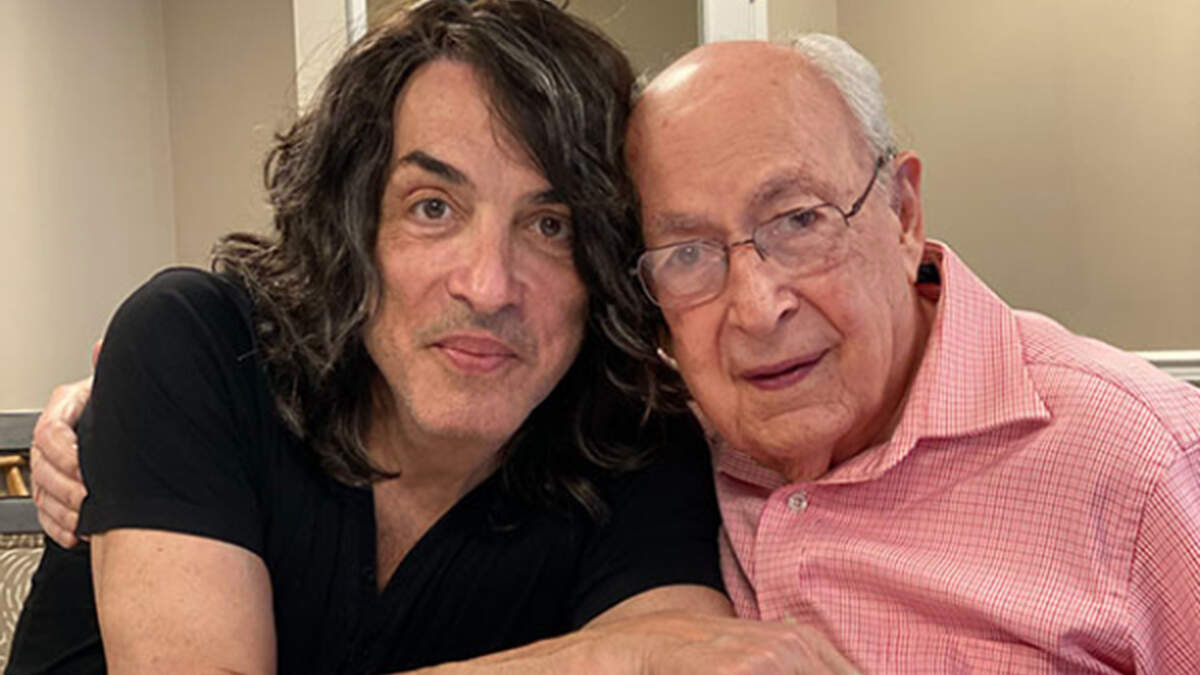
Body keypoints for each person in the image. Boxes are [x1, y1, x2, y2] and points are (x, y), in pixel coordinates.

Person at [10, 2, 860, 673]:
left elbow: (689, 657)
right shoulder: (200, 349)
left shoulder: (634, 440)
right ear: (354, 226)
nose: (488, 285)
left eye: (551, 225)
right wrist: (605, 657)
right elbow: (652, 656)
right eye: (433, 208)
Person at [622, 36, 1200, 672]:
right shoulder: (655, 454)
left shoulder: (1148, 460)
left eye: (800, 221)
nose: (757, 310)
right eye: (688, 254)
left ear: (903, 213)